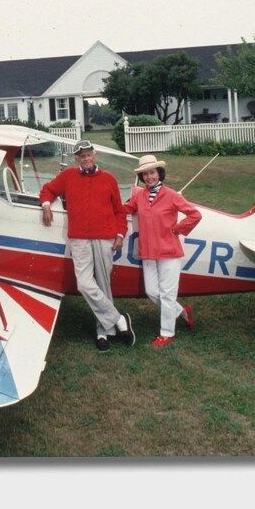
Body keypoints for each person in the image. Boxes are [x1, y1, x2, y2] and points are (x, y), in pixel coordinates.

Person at [39, 139, 135, 352]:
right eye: (81, 155)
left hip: (105, 238)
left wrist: (120, 234)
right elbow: (47, 190)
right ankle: (118, 320)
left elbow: (119, 211)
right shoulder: (68, 176)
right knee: (84, 283)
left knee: (103, 284)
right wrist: (46, 205)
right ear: (77, 159)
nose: (86, 158)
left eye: (89, 154)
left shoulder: (109, 179)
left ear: (94, 155)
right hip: (79, 238)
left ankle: (103, 332)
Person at [123, 154, 202, 348]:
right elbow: (126, 208)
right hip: (148, 252)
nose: (149, 177)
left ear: (159, 173)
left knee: (167, 294)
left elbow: (195, 215)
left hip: (169, 252)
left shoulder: (172, 195)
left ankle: (167, 333)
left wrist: (178, 229)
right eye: (145, 174)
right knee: (151, 291)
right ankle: (182, 312)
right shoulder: (139, 195)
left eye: (152, 172)